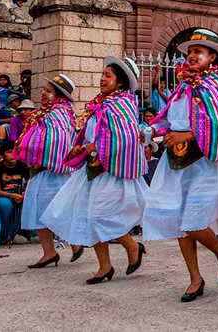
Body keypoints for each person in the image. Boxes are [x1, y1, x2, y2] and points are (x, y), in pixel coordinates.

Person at [143, 29, 218, 302]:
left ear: (212, 57)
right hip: (175, 160)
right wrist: (152, 130)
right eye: (189, 51)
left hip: (204, 161)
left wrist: (188, 134)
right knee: (179, 220)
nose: (191, 55)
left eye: (198, 51)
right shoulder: (181, 88)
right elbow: (170, 120)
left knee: (194, 221)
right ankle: (194, 278)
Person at [44, 58, 148, 284]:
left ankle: (132, 247)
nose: (102, 78)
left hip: (111, 171)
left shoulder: (121, 105)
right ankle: (104, 266)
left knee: (101, 216)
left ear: (119, 83)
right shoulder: (101, 104)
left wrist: (95, 146)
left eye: (108, 76)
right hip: (92, 169)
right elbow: (92, 133)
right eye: (103, 74)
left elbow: (124, 138)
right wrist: (80, 146)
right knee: (89, 217)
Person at [15, 74, 78, 268]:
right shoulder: (52, 113)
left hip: (51, 171)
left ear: (58, 96)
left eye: (48, 91)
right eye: (44, 90)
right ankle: (53, 251)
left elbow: (56, 142)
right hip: (45, 169)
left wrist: (34, 154)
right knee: (44, 212)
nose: (43, 93)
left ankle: (67, 247)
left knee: (49, 211)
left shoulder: (55, 115)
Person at [0, 140, 30, 245]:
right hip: (4, 195)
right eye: (9, 152)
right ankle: (6, 234)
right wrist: (12, 195)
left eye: (16, 152)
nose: (13, 155)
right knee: (6, 206)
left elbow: (29, 184)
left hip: (20, 193)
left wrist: (25, 193)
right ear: (3, 154)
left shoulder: (23, 166)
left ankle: (27, 233)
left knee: (30, 203)